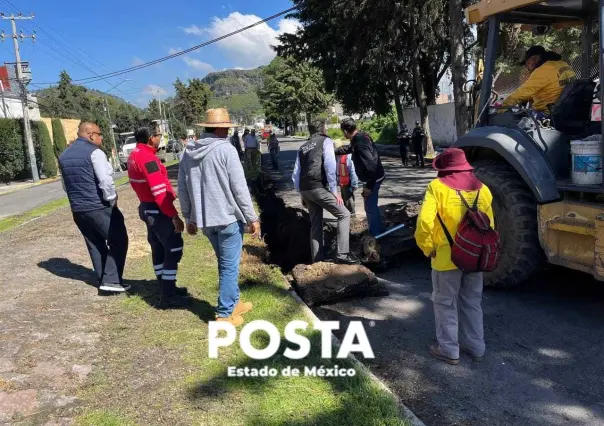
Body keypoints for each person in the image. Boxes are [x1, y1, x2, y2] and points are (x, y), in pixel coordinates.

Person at [178, 108, 261, 327]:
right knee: (229, 266)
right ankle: (224, 314)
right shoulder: (226, 150)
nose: (227, 131)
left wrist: (189, 217)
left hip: (205, 220)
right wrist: (252, 217)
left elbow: (183, 188)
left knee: (226, 264)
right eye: (226, 128)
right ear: (220, 128)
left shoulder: (188, 151)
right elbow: (239, 188)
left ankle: (234, 303)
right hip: (227, 218)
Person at [414, 148, 494, 365]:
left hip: (445, 257)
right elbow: (490, 227)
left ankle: (449, 350)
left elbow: (424, 223)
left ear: (444, 168)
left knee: (445, 303)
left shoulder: (436, 188)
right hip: (475, 258)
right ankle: (476, 346)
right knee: (472, 302)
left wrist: (427, 246)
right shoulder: (483, 190)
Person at [58, 122, 129, 294]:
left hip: (78, 209)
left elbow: (65, 185)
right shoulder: (95, 152)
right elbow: (105, 180)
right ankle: (111, 280)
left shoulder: (64, 155)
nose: (101, 137)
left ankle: (104, 279)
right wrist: (112, 200)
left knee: (95, 243)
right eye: (99, 133)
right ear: (90, 135)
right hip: (98, 206)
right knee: (119, 240)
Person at [128, 126, 188, 308]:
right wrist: (174, 215)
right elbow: (158, 190)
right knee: (173, 247)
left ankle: (165, 286)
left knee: (158, 248)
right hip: (157, 209)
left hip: (147, 208)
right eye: (158, 135)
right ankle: (168, 295)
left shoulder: (134, 154)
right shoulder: (147, 157)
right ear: (150, 138)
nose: (160, 138)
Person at [292, 118, 359, 265]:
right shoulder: (325, 141)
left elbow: (296, 173)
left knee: (316, 223)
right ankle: (342, 254)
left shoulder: (303, 147)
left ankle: (317, 259)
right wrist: (335, 191)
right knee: (344, 214)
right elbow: (330, 165)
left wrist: (301, 193)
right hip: (317, 187)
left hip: (305, 189)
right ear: (323, 129)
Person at [336, 117, 386, 237]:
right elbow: (351, 148)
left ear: (346, 131)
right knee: (371, 205)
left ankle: (375, 235)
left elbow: (370, 166)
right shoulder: (360, 136)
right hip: (375, 176)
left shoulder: (359, 142)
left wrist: (368, 186)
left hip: (373, 178)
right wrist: (336, 151)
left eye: (343, 132)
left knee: (370, 206)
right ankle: (378, 228)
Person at [502, 45, 576, 116]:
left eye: (528, 63)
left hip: (547, 114)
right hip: (566, 109)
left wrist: (503, 107)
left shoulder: (544, 69)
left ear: (536, 59)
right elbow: (551, 88)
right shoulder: (562, 64)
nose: (527, 67)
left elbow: (524, 91)